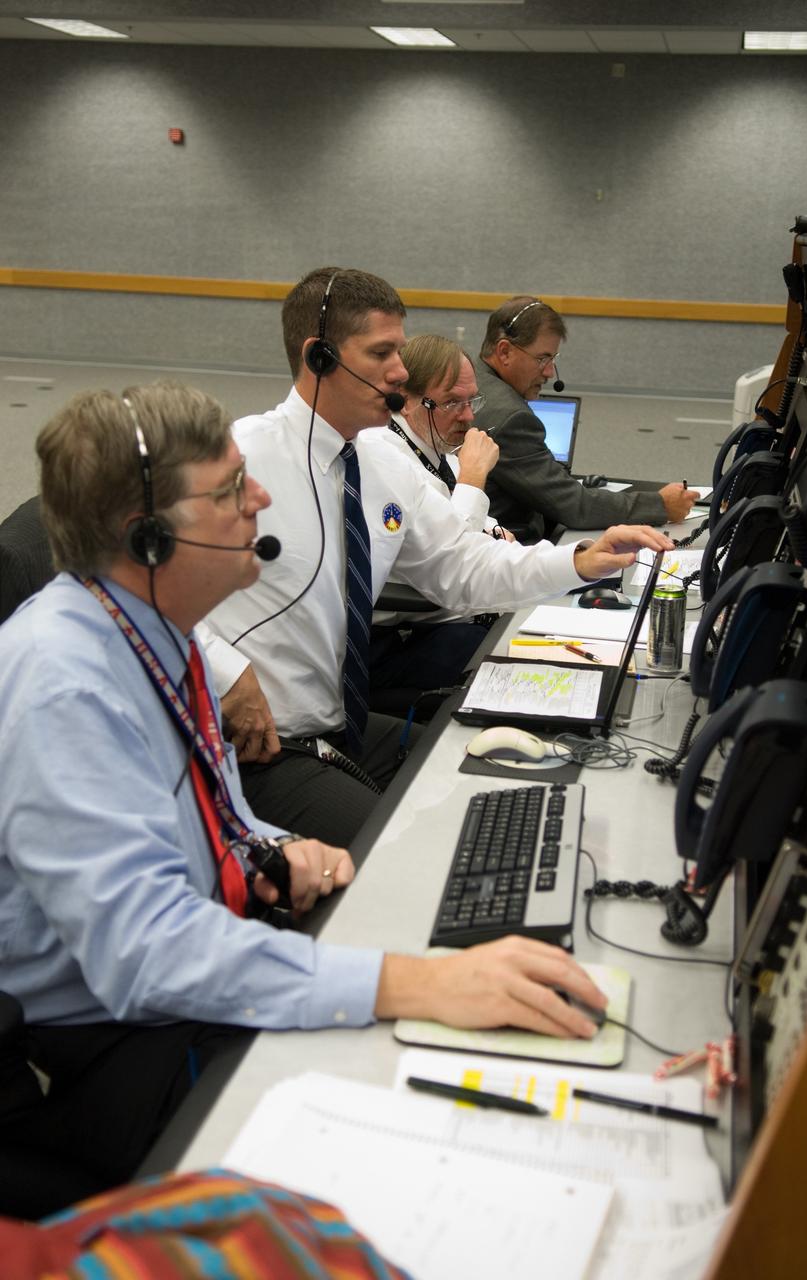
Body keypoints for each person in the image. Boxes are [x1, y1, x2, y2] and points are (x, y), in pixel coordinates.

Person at [0, 380, 615, 1217]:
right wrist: (412, 985)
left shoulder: (150, 633)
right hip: (102, 1050)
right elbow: (147, 955)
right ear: (147, 540)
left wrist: (267, 844)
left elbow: (210, 807)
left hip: (175, 979)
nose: (258, 494)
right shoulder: (63, 685)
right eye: (226, 491)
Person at [202, 267, 676, 846]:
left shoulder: (380, 462)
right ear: (319, 357)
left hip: (338, 726)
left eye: (400, 351)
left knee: (481, 780)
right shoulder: (235, 457)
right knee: (404, 852)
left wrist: (577, 561)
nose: (401, 371)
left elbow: (462, 568)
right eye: (382, 353)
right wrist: (224, 672)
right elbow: (122, 587)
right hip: (263, 747)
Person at [475, 296, 700, 543]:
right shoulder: (511, 418)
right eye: (542, 359)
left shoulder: (473, 380)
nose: (550, 372)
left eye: (553, 360)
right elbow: (575, 507)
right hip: (508, 550)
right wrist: (660, 505)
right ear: (504, 351)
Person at [366, 333, 508, 712]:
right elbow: (452, 559)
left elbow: (464, 518)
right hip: (393, 638)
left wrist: (494, 531)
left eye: (470, 399)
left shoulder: (431, 442)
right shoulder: (387, 458)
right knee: (503, 656)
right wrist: (474, 478)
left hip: (437, 615)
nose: (468, 415)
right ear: (406, 399)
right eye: (451, 402)